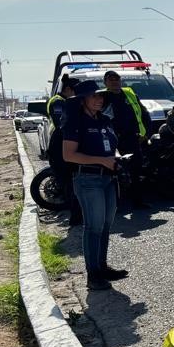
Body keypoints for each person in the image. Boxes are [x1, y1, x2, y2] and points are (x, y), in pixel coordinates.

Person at [61, 80, 128, 290]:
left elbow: (111, 147)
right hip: (88, 180)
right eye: (94, 96)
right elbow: (69, 155)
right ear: (82, 100)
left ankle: (102, 267)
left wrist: (118, 158)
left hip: (108, 179)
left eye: (100, 96)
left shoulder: (105, 120)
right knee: (94, 227)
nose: (99, 100)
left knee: (106, 225)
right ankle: (93, 276)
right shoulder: (75, 122)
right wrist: (102, 161)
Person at [47, 75, 83, 226]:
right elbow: (62, 124)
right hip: (59, 147)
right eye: (76, 91)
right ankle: (75, 219)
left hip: (65, 145)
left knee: (72, 182)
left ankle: (76, 214)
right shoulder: (58, 102)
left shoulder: (67, 101)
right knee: (69, 183)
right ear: (68, 89)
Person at [101, 69, 147, 154]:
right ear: (105, 82)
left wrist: (146, 135)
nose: (114, 82)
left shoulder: (131, 95)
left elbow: (144, 115)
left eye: (117, 79)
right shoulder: (101, 97)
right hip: (112, 140)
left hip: (134, 139)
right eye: (111, 80)